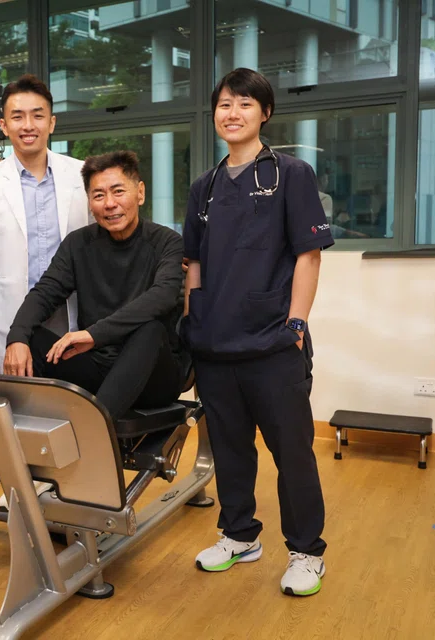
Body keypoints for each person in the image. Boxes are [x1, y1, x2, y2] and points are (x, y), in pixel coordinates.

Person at [181, 68, 334, 597]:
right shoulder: (204, 187)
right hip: (216, 346)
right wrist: (194, 323)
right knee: (230, 450)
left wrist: (296, 323)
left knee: (292, 452)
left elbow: (308, 254)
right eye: (224, 104)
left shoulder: (290, 174)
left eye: (244, 104)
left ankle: (306, 551)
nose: (232, 113)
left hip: (274, 342)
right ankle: (240, 534)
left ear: (264, 113)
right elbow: (193, 264)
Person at [4, 150, 185, 421]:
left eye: (118, 191)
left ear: (140, 192)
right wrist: (16, 338)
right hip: (98, 369)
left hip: (154, 376)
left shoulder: (166, 241)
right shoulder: (78, 244)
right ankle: (27, 440)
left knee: (150, 328)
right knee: (33, 338)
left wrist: (92, 335)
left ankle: (93, 428)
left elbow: (163, 297)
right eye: (99, 195)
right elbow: (45, 292)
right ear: (90, 201)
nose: (109, 203)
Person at [0, 74, 91, 371]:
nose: (28, 125)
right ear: (4, 126)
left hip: (69, 313)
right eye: (17, 117)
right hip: (10, 312)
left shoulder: (81, 174)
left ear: (52, 123)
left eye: (38, 116)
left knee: (70, 401)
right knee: (19, 402)